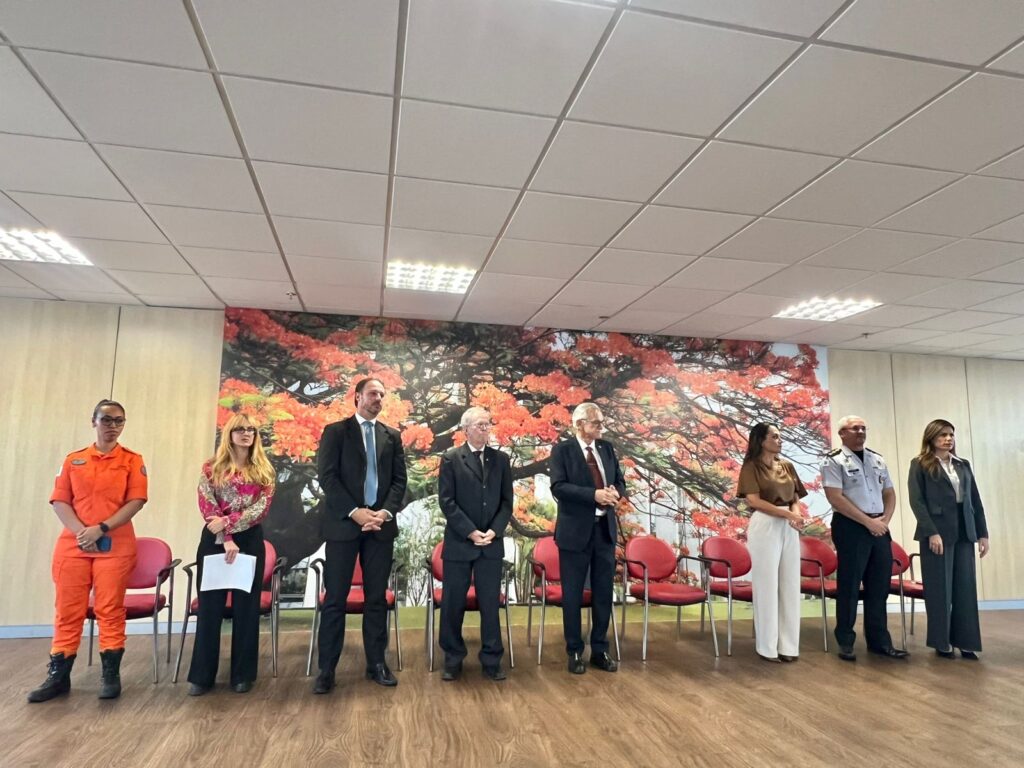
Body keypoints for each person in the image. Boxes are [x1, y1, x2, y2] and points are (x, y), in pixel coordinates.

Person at [28, 400, 148, 703]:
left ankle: (110, 675)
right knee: (68, 611)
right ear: (93, 421)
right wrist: (82, 532)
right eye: (107, 420)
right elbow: (59, 500)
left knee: (109, 609)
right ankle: (58, 676)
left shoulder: (132, 460)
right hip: (74, 546)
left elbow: (136, 501)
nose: (113, 426)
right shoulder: (74, 460)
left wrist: (101, 529)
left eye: (119, 421)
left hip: (115, 545)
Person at [313, 377, 408, 692]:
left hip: (380, 527)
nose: (378, 398)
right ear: (357, 397)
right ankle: (327, 669)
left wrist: (384, 513)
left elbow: (399, 481)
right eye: (372, 393)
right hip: (344, 526)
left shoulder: (392, 436)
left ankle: (377, 663)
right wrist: (355, 512)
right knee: (335, 599)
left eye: (382, 394)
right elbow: (328, 477)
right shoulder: (336, 432)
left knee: (376, 599)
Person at [186, 414, 275, 695]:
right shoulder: (211, 467)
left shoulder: (264, 469)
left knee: (246, 609)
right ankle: (201, 676)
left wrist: (228, 524)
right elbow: (206, 502)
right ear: (229, 434)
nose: (246, 434)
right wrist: (225, 536)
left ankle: (242, 675)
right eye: (240, 429)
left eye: (251, 430)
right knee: (209, 608)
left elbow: (261, 508)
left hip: (249, 540)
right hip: (214, 540)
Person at [821, 415, 908, 661]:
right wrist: (868, 522)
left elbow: (889, 493)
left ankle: (880, 642)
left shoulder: (876, 459)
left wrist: (884, 521)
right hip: (850, 526)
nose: (860, 432)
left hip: (879, 525)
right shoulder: (833, 460)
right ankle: (846, 642)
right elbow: (835, 497)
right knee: (849, 585)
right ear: (842, 433)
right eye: (854, 428)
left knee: (879, 586)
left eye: (863, 428)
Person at [437, 407, 514, 682]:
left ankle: (492, 660)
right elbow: (447, 502)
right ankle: (452, 659)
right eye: (480, 424)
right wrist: (470, 532)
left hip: (491, 543)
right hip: (460, 542)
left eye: (488, 424)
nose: (485, 429)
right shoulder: (451, 458)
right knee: (453, 604)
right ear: (465, 429)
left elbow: (507, 502)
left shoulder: (501, 460)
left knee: (490, 605)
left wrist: (493, 531)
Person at [550, 402, 625, 675]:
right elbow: (559, 487)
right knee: (572, 594)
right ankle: (574, 650)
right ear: (580, 424)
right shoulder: (562, 450)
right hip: (574, 533)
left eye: (602, 422)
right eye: (596, 423)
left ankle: (600, 649)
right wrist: (593, 495)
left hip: (604, 530)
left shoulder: (606, 448)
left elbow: (620, 481)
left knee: (603, 593)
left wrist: (615, 492)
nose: (601, 427)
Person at [907, 419, 990, 659]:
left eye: (951, 435)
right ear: (931, 438)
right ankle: (941, 642)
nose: (948, 439)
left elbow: (975, 500)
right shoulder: (920, 464)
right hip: (937, 533)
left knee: (965, 588)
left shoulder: (963, 464)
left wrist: (982, 533)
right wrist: (931, 532)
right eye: (942, 435)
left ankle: (966, 642)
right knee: (939, 589)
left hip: (964, 531)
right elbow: (917, 502)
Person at [737, 422, 807, 663]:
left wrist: (795, 515)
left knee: (790, 584)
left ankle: (788, 646)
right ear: (761, 440)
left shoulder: (787, 466)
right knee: (766, 585)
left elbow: (795, 497)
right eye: (775, 437)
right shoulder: (751, 467)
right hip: (765, 524)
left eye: (780, 436)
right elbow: (754, 501)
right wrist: (787, 514)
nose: (779, 440)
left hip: (788, 526)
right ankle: (767, 647)